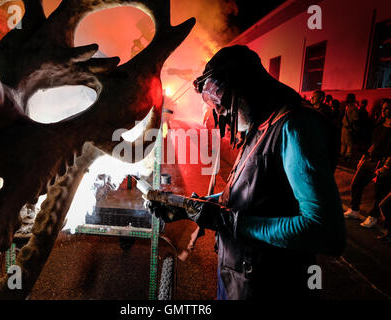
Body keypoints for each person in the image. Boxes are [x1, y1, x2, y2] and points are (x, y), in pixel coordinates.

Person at [147, 45, 345, 300]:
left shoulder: (296, 126)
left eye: (221, 101)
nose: (219, 111)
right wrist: (191, 207)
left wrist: (228, 221)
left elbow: (324, 231)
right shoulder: (263, 124)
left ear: (244, 87)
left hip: (271, 286)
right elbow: (252, 194)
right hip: (238, 279)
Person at [344, 100, 391, 228]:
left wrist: (386, 166)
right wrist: (363, 158)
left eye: (387, 108)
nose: (383, 110)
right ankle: (354, 210)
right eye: (383, 108)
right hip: (370, 160)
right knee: (356, 183)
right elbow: (372, 144)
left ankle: (373, 217)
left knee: (379, 192)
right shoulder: (379, 125)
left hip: (383, 162)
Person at [340, 93, 360, 159]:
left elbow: (355, 119)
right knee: (343, 141)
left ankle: (348, 155)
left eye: (348, 97)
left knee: (349, 142)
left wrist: (351, 126)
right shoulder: (348, 106)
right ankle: (342, 154)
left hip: (348, 127)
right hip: (344, 126)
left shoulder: (354, 107)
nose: (346, 98)